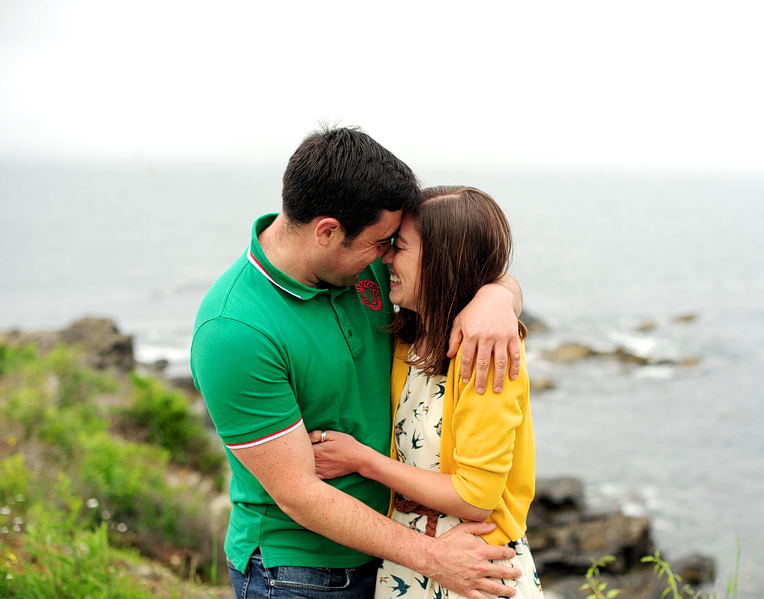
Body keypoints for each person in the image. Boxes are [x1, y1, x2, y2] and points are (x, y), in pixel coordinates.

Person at [190, 126, 524, 599]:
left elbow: (456, 265)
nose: (389, 256)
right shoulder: (234, 331)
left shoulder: (361, 259)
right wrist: (432, 557)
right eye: (382, 242)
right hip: (302, 573)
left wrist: (497, 296)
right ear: (327, 231)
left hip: (393, 557)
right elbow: (299, 493)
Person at [310, 185, 543, 599]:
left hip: (475, 568)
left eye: (398, 247)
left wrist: (362, 460)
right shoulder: (408, 338)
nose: (384, 259)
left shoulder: (487, 353)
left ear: (440, 262)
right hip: (410, 562)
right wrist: (499, 293)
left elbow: (475, 498)